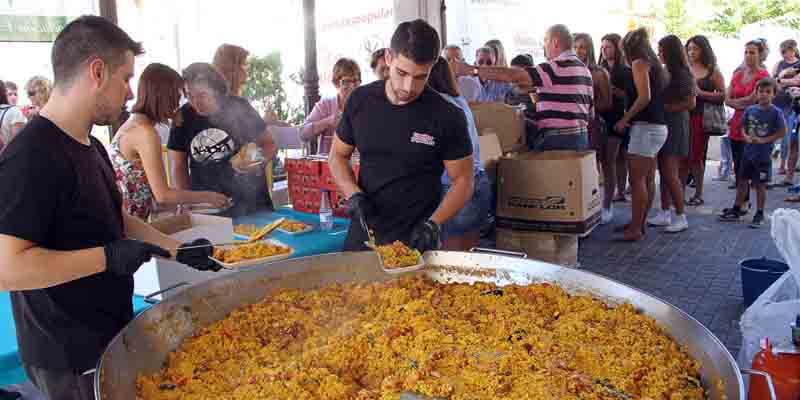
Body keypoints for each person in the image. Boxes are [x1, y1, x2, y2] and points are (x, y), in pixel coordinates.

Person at [0, 16, 219, 400]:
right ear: (97, 72)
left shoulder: (91, 145)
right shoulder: (31, 155)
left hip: (106, 330)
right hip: (67, 351)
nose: (130, 93)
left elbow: (114, 218)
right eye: (126, 78)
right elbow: (8, 269)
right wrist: (107, 257)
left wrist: (176, 249)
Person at [329, 19, 474, 253]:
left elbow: (464, 181)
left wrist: (434, 224)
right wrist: (353, 194)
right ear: (388, 58)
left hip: (417, 238)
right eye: (402, 72)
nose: (408, 86)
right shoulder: (360, 101)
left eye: (420, 77)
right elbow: (337, 155)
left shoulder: (447, 115)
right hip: (364, 233)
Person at [110, 63, 230, 220]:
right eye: (177, 96)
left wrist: (183, 204)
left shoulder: (131, 124)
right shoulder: (146, 133)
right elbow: (163, 195)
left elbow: (147, 192)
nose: (178, 104)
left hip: (129, 220)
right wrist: (209, 197)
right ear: (163, 96)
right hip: (133, 225)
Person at [453, 24, 594, 152]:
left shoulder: (554, 67)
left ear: (555, 42)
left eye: (545, 41)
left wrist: (473, 70)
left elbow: (515, 76)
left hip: (558, 141)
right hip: (581, 138)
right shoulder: (584, 70)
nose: (544, 46)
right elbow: (590, 113)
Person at [168, 63, 278, 217]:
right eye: (189, 96)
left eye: (202, 95)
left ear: (216, 90)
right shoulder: (183, 117)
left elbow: (269, 144)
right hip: (207, 207)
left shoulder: (240, 107)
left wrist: (257, 162)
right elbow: (178, 167)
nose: (195, 103)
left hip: (251, 201)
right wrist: (185, 201)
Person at [427, 56, 490, 250]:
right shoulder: (459, 101)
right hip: (479, 183)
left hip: (455, 189)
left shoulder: (437, 107)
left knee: (450, 261)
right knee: (469, 258)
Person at [613, 28, 667, 242]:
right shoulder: (654, 65)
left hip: (645, 128)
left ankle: (636, 227)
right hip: (657, 127)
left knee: (636, 181)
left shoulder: (639, 63)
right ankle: (639, 223)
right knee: (647, 178)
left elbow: (644, 97)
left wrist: (625, 119)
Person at [720, 78, 786, 227]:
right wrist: (746, 136)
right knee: (742, 181)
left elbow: (782, 131)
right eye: (761, 91)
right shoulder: (750, 110)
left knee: (760, 185)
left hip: (762, 157)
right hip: (747, 154)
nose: (763, 95)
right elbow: (743, 127)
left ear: (773, 95)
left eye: (768, 92)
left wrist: (765, 140)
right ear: (756, 93)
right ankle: (737, 208)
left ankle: (760, 212)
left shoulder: (776, 113)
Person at [647, 35, 695, 233]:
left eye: (661, 49)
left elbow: (690, 103)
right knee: (664, 172)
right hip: (665, 124)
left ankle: (680, 215)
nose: (659, 53)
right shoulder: (667, 71)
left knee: (670, 172)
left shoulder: (682, 74)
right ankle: (665, 211)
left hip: (675, 126)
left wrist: (666, 107)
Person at [722, 40, 770, 217]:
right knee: (738, 165)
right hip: (736, 124)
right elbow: (727, 98)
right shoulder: (738, 74)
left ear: (760, 54)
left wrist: (737, 103)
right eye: (746, 52)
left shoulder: (763, 75)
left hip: (753, 126)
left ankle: (743, 205)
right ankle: (742, 202)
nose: (749, 56)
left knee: (749, 168)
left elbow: (752, 99)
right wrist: (737, 103)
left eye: (752, 52)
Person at [574, 33, 613, 222]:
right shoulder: (567, 70)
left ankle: (606, 205)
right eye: (575, 46)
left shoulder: (598, 72)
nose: (578, 51)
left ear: (589, 48)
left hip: (595, 123)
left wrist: (588, 108)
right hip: (575, 125)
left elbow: (607, 102)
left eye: (582, 46)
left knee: (602, 165)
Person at [684, 35, 726, 206]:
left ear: (704, 49)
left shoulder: (712, 70)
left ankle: (698, 192)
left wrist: (701, 94)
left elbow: (723, 95)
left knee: (696, 156)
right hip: (682, 116)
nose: (692, 52)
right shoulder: (684, 68)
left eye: (695, 48)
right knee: (682, 156)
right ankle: (679, 191)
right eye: (689, 49)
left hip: (701, 117)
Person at [599, 33, 634, 204]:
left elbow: (631, 95)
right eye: (603, 47)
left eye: (608, 47)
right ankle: (614, 192)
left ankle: (619, 191)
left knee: (619, 157)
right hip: (602, 116)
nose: (605, 50)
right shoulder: (599, 68)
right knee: (609, 158)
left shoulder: (626, 70)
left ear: (617, 48)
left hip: (620, 116)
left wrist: (613, 91)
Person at [300, 58, 361, 154]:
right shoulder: (326, 104)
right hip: (329, 166)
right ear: (336, 83)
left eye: (356, 81)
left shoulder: (365, 104)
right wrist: (329, 121)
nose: (352, 86)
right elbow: (303, 134)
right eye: (346, 81)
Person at [773, 40, 800, 184]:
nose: (784, 54)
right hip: (779, 103)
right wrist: (782, 76)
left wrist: (783, 80)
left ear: (793, 50)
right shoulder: (779, 65)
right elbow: (773, 82)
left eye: (786, 51)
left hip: (793, 107)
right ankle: (787, 176)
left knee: (791, 140)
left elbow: (797, 81)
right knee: (791, 140)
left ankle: (786, 170)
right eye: (782, 52)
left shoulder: (798, 64)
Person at [0, 81, 26, 153]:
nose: (13, 97)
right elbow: (17, 142)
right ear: (3, 95)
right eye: (10, 94)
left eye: (15, 94)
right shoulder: (15, 111)